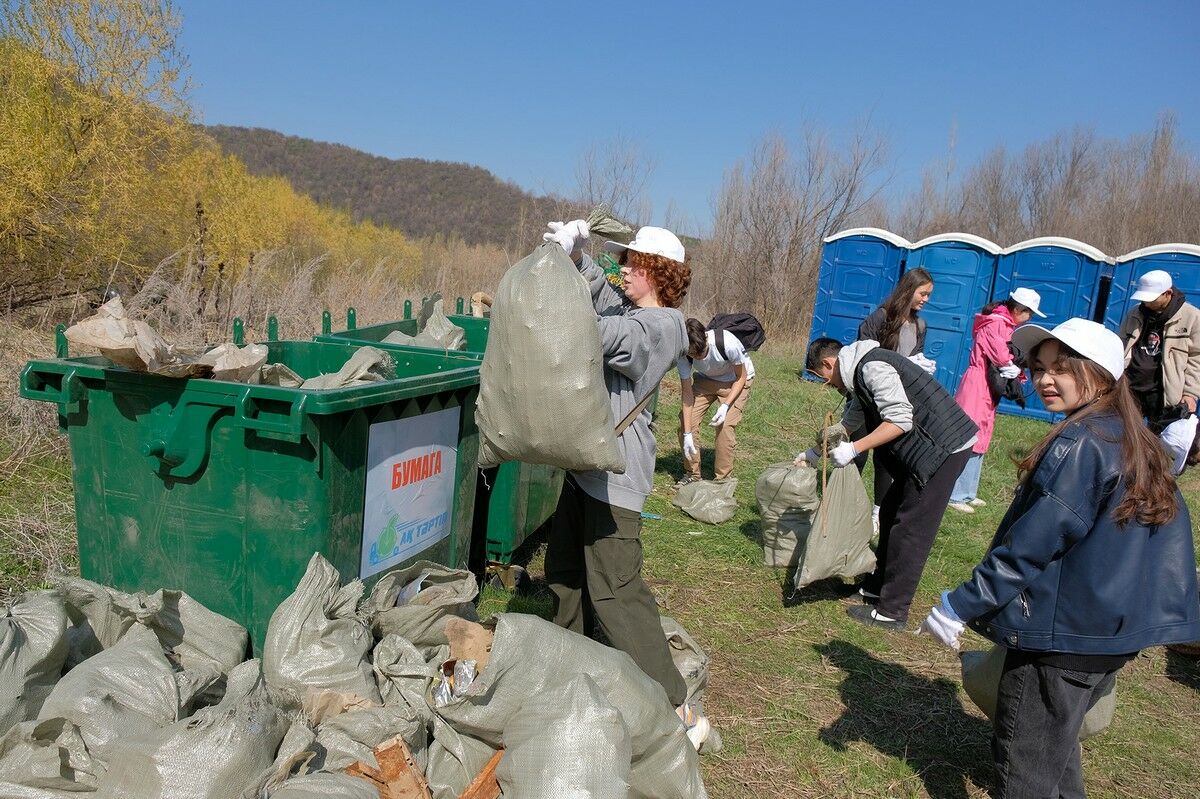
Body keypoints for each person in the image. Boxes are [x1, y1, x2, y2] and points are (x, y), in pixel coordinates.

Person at [920, 317, 1200, 799]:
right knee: (1057, 745)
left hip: (1059, 637)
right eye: (1040, 368)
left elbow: (1032, 545)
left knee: (1025, 766)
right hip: (1106, 634)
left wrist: (960, 604)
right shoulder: (1136, 441)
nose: (1044, 380)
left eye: (1061, 368)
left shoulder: (1081, 441)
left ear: (1099, 374)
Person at [539, 219, 710, 748]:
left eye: (632, 262)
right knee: (566, 571)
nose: (623, 268)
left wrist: (556, 291)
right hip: (587, 466)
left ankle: (677, 703)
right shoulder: (636, 311)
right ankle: (571, 672)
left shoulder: (661, 326)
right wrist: (577, 261)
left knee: (615, 591)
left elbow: (604, 331)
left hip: (616, 478)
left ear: (658, 271)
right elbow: (605, 304)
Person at [799, 335, 977, 630]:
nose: (827, 385)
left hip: (945, 448)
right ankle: (874, 588)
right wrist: (815, 452)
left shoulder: (872, 368)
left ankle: (892, 611)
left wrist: (855, 449)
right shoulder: (859, 374)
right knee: (890, 510)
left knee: (910, 527)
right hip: (928, 448)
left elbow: (899, 421)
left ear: (829, 364)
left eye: (824, 378)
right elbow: (849, 422)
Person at [947, 288, 1044, 514]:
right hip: (977, 384)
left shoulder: (1001, 323)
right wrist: (1015, 368)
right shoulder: (995, 323)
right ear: (1019, 309)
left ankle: (967, 491)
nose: (1029, 318)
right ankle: (955, 494)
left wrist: (1015, 369)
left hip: (986, 385)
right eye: (1029, 313)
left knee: (981, 436)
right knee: (969, 436)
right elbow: (1002, 356)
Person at [855, 268, 938, 530]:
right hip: (867, 396)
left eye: (929, 295)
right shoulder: (880, 317)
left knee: (887, 459)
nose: (926, 299)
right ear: (908, 289)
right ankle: (844, 502)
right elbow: (862, 355)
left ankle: (878, 513)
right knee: (857, 452)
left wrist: (919, 366)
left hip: (896, 399)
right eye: (923, 293)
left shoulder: (920, 325)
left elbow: (915, 357)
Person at [1118, 269, 1200, 469]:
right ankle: (1121, 474)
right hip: (1131, 387)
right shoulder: (1135, 313)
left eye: (1152, 298)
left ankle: (1151, 482)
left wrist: (1190, 393)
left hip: (1164, 394)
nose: (1147, 303)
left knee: (1157, 447)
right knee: (1124, 437)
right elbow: (1121, 343)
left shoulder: (1192, 317)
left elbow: (1197, 359)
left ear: (1168, 293)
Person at [675, 318, 755, 487]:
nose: (698, 357)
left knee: (725, 426)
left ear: (705, 338)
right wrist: (687, 433)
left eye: (701, 352)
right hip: (706, 381)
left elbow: (741, 377)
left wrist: (725, 406)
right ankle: (692, 474)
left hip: (735, 381)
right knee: (686, 422)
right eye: (694, 355)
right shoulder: (683, 353)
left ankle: (722, 480)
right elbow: (687, 393)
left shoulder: (726, 342)